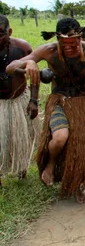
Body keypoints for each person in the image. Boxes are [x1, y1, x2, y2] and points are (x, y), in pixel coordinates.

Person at [7, 18, 85, 203]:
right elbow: (10, 67)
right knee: (60, 138)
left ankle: (76, 186)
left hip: (84, 103)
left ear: (80, 38)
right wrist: (29, 64)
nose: (69, 47)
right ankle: (50, 164)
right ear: (57, 39)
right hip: (60, 101)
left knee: (81, 147)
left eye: (74, 43)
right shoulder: (48, 51)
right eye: (64, 43)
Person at [0, 15, 40, 186]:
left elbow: (35, 75)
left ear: (9, 31)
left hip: (19, 100)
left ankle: (22, 169)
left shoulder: (22, 48)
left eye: (0, 33)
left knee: (23, 139)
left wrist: (34, 100)